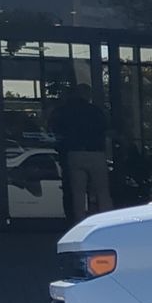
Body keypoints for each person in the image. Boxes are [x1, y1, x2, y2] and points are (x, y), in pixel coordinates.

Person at [50, 84, 110, 220]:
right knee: (102, 191)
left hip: (74, 153)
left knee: (78, 193)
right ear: (88, 95)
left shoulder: (64, 111)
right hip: (96, 153)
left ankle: (78, 222)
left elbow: (55, 129)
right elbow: (105, 129)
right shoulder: (95, 111)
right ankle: (105, 220)